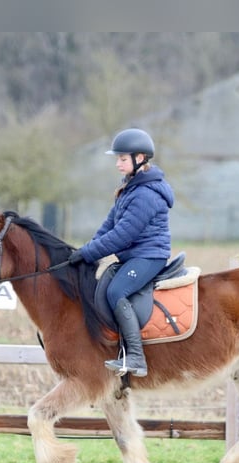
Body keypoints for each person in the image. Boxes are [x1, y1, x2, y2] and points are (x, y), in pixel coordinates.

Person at [68, 128, 174, 377]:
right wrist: (87, 250)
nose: (117, 163)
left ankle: (136, 357)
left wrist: (89, 253)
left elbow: (122, 236)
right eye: (117, 158)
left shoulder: (145, 195)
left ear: (140, 159)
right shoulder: (129, 188)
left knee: (117, 291)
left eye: (122, 159)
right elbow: (109, 225)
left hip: (150, 256)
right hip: (135, 255)